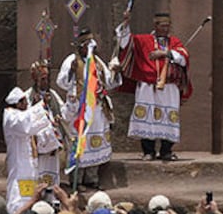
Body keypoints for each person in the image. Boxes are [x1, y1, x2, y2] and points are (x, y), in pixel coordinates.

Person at [116, 12, 192, 161]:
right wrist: (125, 24)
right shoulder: (143, 40)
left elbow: (183, 58)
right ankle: (148, 151)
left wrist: (165, 53)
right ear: (155, 26)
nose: (165, 29)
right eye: (162, 26)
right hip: (147, 86)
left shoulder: (174, 42)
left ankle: (166, 151)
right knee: (147, 117)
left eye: (168, 26)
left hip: (169, 87)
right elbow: (125, 42)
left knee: (168, 118)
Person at [56, 28, 122, 191]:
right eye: (86, 46)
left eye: (91, 45)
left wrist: (115, 72)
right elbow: (61, 83)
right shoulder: (71, 60)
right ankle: (76, 181)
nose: (90, 49)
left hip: (97, 109)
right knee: (80, 144)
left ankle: (92, 179)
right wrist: (71, 71)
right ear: (80, 47)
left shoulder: (97, 62)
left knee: (94, 144)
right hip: (80, 109)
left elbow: (110, 82)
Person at [3, 87, 51, 214]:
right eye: (24, 102)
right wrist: (41, 105)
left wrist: (47, 118)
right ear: (18, 103)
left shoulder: (20, 115)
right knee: (18, 198)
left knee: (30, 198)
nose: (27, 105)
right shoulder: (10, 116)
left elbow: (33, 127)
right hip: (19, 168)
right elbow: (25, 125)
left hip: (29, 168)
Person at [25, 59, 65, 186]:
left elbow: (63, 111)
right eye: (42, 79)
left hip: (52, 144)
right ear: (35, 79)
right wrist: (41, 105)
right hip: (37, 144)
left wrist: (60, 117)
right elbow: (25, 118)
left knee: (52, 175)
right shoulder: (27, 97)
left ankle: (53, 198)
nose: (46, 82)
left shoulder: (53, 95)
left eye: (47, 78)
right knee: (38, 175)